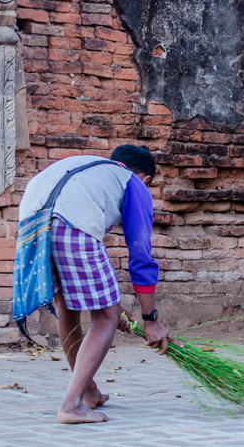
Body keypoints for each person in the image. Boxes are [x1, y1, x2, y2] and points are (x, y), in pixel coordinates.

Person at [18, 145, 172, 424]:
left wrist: (113, 302)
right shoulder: (133, 183)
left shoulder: (91, 167)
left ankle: (88, 392)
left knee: (67, 308)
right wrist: (150, 321)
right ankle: (71, 405)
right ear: (146, 178)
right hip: (69, 225)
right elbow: (140, 255)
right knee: (106, 317)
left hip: (32, 225)